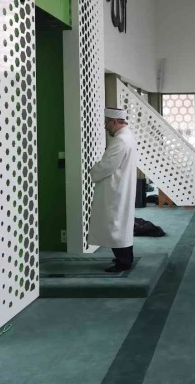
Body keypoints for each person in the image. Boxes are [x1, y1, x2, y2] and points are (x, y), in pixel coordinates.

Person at [89, 107, 138, 272]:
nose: (105, 126)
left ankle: (123, 262)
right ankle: (125, 258)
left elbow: (107, 165)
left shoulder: (120, 140)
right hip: (120, 186)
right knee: (120, 224)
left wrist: (93, 171)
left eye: (106, 122)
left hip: (115, 189)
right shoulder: (127, 136)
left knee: (115, 225)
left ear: (115, 121)